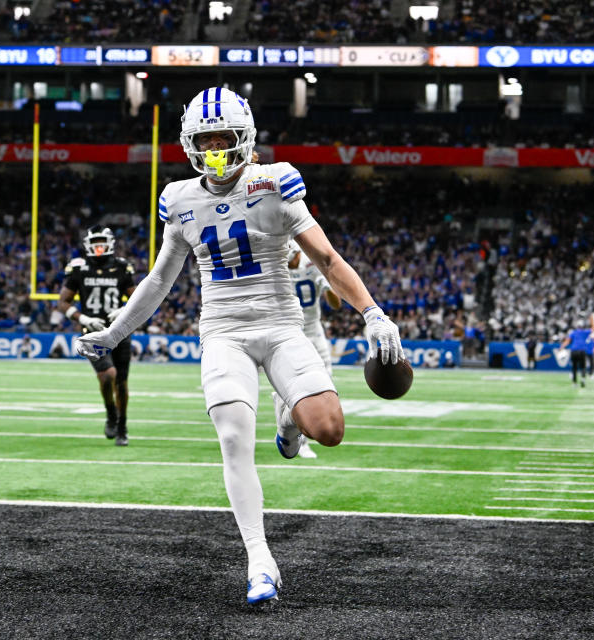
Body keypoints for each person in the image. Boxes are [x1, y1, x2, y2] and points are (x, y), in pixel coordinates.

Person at [74, 87, 404, 604]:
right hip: (223, 331)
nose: (212, 151)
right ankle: (260, 561)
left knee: (330, 429)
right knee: (233, 438)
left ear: (244, 137)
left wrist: (373, 313)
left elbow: (327, 258)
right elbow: (160, 280)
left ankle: (289, 418)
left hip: (280, 325)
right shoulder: (180, 198)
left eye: (222, 139)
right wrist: (114, 332)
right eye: (203, 141)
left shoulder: (275, 182)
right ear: (188, 144)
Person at [58, 225, 137, 446]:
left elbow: (136, 297)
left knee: (121, 382)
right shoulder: (79, 268)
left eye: (102, 242)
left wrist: (124, 310)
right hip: (92, 332)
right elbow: (63, 302)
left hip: (119, 329)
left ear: (110, 243)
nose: (98, 247)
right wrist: (83, 319)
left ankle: (121, 426)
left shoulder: (122, 267)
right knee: (108, 375)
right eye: (95, 242)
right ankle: (111, 413)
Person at [286, 239, 342, 459]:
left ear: (298, 255)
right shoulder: (278, 265)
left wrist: (329, 285)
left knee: (326, 382)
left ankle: (312, 431)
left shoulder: (311, 264)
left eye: (292, 261)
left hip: (314, 331)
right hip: (290, 330)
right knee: (294, 387)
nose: (289, 265)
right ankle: (300, 440)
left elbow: (336, 304)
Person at [560, 317, 591, 387]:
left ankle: (574, 383)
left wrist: (561, 347)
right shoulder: (585, 332)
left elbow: (567, 341)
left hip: (574, 350)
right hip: (582, 351)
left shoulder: (573, 332)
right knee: (583, 366)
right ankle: (583, 379)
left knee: (574, 367)